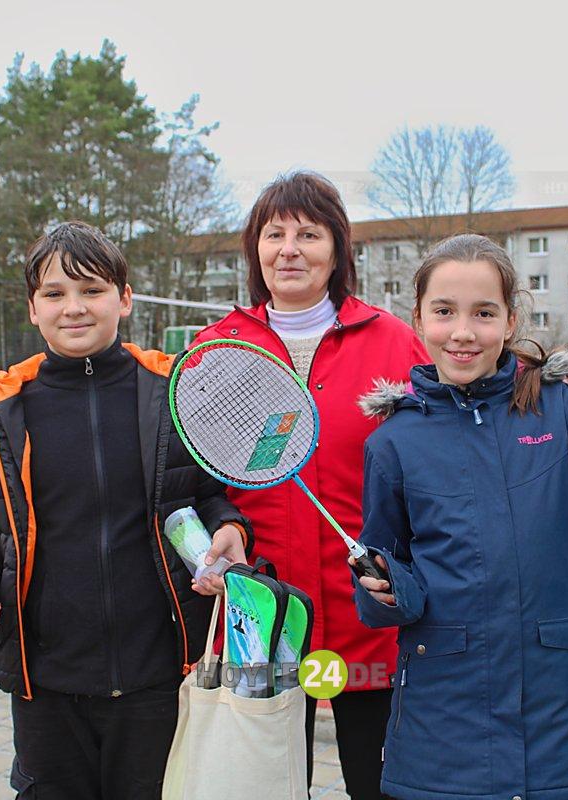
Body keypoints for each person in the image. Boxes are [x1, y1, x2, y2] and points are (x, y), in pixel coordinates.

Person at [352, 233, 568, 800]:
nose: (463, 332)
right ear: (417, 318)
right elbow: (385, 570)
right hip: (443, 720)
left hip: (552, 709)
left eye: (483, 313)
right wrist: (384, 589)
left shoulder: (561, 408)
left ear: (510, 319)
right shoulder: (395, 442)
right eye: (444, 312)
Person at [0, 221, 252, 799]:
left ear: (124, 299)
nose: (74, 307)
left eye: (91, 290)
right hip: (46, 686)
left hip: (160, 677)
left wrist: (229, 528)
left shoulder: (175, 392)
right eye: (54, 293)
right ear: (33, 308)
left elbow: (207, 497)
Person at [192, 171, 428, 799]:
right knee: (266, 784)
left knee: (380, 785)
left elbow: (432, 466)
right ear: (255, 250)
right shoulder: (218, 348)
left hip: (369, 608)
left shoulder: (394, 341)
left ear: (337, 250)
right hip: (262, 609)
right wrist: (225, 529)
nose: (289, 249)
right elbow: (194, 480)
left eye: (308, 233)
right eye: (274, 234)